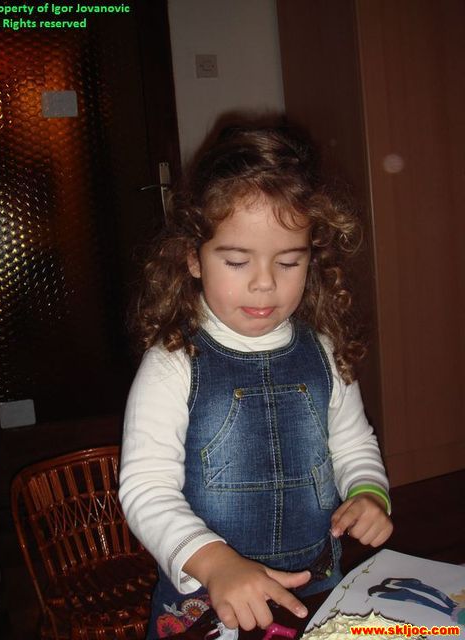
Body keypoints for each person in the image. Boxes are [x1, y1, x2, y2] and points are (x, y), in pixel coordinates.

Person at [119, 123, 394, 638]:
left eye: (288, 262)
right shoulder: (172, 362)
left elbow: (354, 443)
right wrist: (215, 563)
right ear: (192, 258)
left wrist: (368, 492)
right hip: (208, 598)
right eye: (237, 261)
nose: (265, 282)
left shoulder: (324, 350)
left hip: (314, 585)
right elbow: (146, 489)